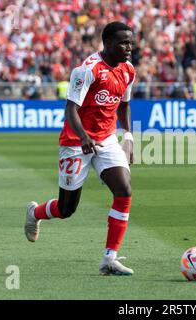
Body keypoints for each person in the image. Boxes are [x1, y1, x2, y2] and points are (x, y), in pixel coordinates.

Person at [24, 22, 136, 276]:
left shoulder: (128, 70)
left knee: (124, 190)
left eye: (130, 42)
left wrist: (128, 136)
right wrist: (84, 137)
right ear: (107, 43)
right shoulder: (87, 71)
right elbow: (70, 110)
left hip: (106, 139)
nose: (129, 48)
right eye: (123, 42)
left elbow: (124, 106)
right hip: (76, 142)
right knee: (67, 209)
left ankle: (109, 259)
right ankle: (35, 212)